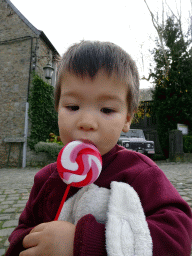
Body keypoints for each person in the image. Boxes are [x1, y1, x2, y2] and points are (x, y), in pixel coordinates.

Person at [5, 41, 192, 256]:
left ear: (127, 119)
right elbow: (19, 234)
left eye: (107, 109)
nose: (86, 122)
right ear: (57, 108)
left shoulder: (141, 173)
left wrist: (82, 243)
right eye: (72, 107)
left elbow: (178, 238)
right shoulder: (45, 179)